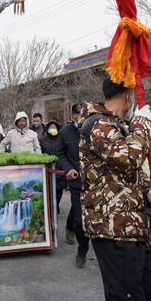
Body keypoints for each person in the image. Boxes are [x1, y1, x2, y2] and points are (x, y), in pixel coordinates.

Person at [79, 78, 151, 301]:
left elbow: (126, 172)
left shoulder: (114, 124)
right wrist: (143, 124)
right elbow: (128, 159)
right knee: (129, 300)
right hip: (113, 229)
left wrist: (149, 191)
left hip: (133, 226)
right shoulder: (98, 124)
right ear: (129, 96)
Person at [57, 104, 89, 263]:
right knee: (79, 220)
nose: (80, 120)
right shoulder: (65, 132)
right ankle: (82, 251)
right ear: (73, 117)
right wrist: (68, 168)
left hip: (93, 182)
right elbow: (61, 153)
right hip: (76, 181)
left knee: (88, 216)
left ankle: (71, 227)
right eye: (77, 118)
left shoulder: (93, 129)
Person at [40, 119, 67, 213]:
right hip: (49, 167)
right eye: (50, 127)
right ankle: (51, 206)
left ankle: (57, 204)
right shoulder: (43, 140)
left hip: (60, 167)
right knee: (49, 189)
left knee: (59, 190)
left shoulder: (62, 139)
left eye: (54, 127)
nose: (52, 128)